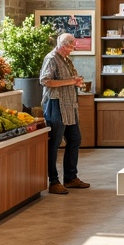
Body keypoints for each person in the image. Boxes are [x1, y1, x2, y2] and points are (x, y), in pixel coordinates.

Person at [40, 33, 89, 195]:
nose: (71, 50)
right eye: (70, 47)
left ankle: (70, 178)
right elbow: (45, 80)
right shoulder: (51, 58)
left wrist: (77, 81)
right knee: (54, 143)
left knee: (75, 139)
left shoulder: (66, 59)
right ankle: (53, 181)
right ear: (62, 45)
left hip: (69, 106)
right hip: (55, 104)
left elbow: (69, 79)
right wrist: (70, 81)